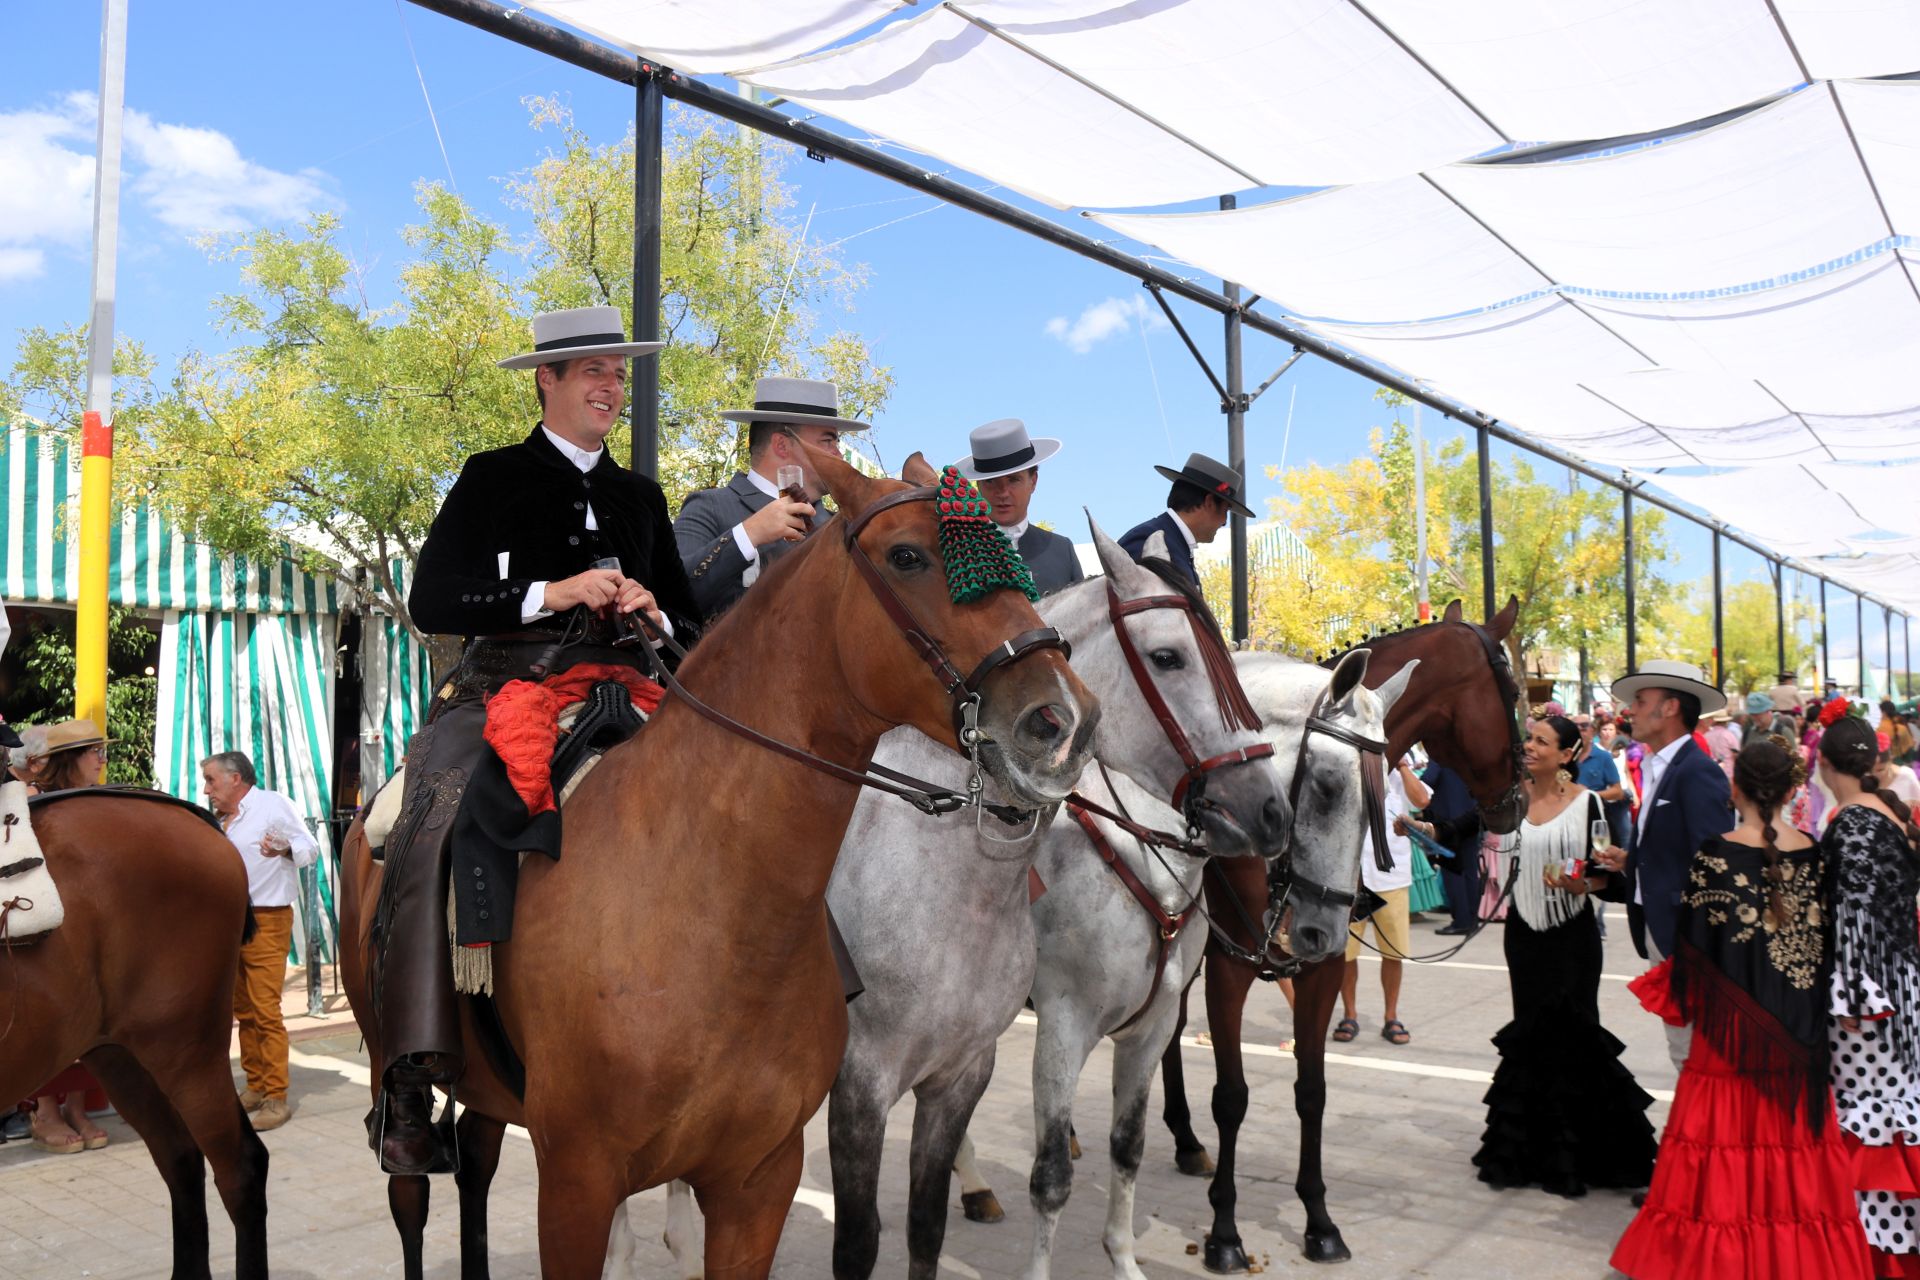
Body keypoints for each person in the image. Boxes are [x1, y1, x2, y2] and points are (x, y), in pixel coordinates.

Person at [376, 305, 701, 1174]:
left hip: (633, 683)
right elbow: (432, 600)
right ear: (545, 382)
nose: (609, 384)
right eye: (591, 369)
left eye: (617, 372)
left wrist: (654, 606)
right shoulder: (491, 476)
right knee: (421, 816)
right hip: (504, 687)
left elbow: (692, 619)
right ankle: (407, 1070)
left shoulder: (642, 496)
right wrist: (549, 594)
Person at [1611, 739, 1871, 1280]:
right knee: (1790, 1156)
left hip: (1727, 1044)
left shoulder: (1715, 854)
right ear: (1795, 790)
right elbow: (1825, 949)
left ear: (1735, 789)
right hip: (1797, 1038)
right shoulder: (1817, 856)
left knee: (1721, 1157)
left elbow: (1694, 955)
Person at [1432, 714, 1655, 1196]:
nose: (1529, 747)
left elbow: (1607, 876)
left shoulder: (1590, 803)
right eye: (1528, 739)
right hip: (1524, 938)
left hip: (1572, 938)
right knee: (1530, 1037)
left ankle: (1581, 1154)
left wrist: (1583, 883)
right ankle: (1528, 1151)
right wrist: (1425, 827)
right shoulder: (1510, 798)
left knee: (1577, 1036)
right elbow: (1459, 829)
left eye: (1541, 741)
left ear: (1567, 754)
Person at [1593, 659, 1736, 1073]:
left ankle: (1703, 1132)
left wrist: (1699, 944)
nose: (1629, 711)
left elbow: (1713, 865)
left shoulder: (1696, 772)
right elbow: (1672, 847)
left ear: (1670, 707)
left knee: (1693, 1048)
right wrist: (1630, 861)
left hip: (1684, 934)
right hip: (1664, 927)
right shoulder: (1662, 765)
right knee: (1683, 1044)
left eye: (1640, 700)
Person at [1820, 714, 1920, 1275]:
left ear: (1824, 763)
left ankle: (1871, 1251)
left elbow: (1855, 910)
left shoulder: (1855, 820)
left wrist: (1854, 991)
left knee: (1868, 1121)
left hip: (1868, 1002)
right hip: (1898, 989)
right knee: (1895, 1116)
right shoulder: (1888, 812)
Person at [672, 375, 861, 622]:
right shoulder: (711, 507)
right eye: (827, 441)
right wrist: (748, 534)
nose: (838, 454)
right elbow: (674, 596)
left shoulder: (844, 526)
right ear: (782, 446)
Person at [202, 750, 318, 1133]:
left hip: (267, 919)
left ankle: (275, 1095)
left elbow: (310, 848)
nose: (207, 790)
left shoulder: (273, 805)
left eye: (211, 780)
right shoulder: (221, 820)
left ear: (236, 779)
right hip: (228, 921)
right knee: (244, 1009)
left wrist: (284, 849)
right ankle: (255, 1085)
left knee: (265, 1008)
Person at [17, 719, 114, 1154]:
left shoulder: (96, 801)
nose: (101, 759)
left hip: (92, 929)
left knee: (90, 1021)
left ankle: (77, 1106)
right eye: (95, 751)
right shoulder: (30, 802)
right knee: (51, 1022)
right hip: (46, 930)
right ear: (68, 759)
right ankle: (45, 1112)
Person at [1335, 757, 1429, 1046]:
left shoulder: (1400, 772)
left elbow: (1422, 800)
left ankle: (1391, 1015)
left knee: (1393, 953)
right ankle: (1349, 1013)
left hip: (1391, 878)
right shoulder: (1348, 763)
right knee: (1346, 954)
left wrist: (1401, 765)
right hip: (1351, 876)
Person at [951, 419, 1083, 596]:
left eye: (1013, 480)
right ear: (978, 487)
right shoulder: (958, 550)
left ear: (1033, 481)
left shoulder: (1061, 550)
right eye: (990, 482)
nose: (1003, 492)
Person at [1117, 452, 1253, 586]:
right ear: (1209, 502)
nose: (1224, 522)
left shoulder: (1174, 543)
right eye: (1225, 510)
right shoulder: (1148, 540)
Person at [1418, 760, 1482, 936]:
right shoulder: (1467, 751)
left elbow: (1428, 780)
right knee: (1470, 870)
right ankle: (1472, 919)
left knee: (1452, 872)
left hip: (1448, 820)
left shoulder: (1440, 755)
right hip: (1472, 815)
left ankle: (1461, 921)